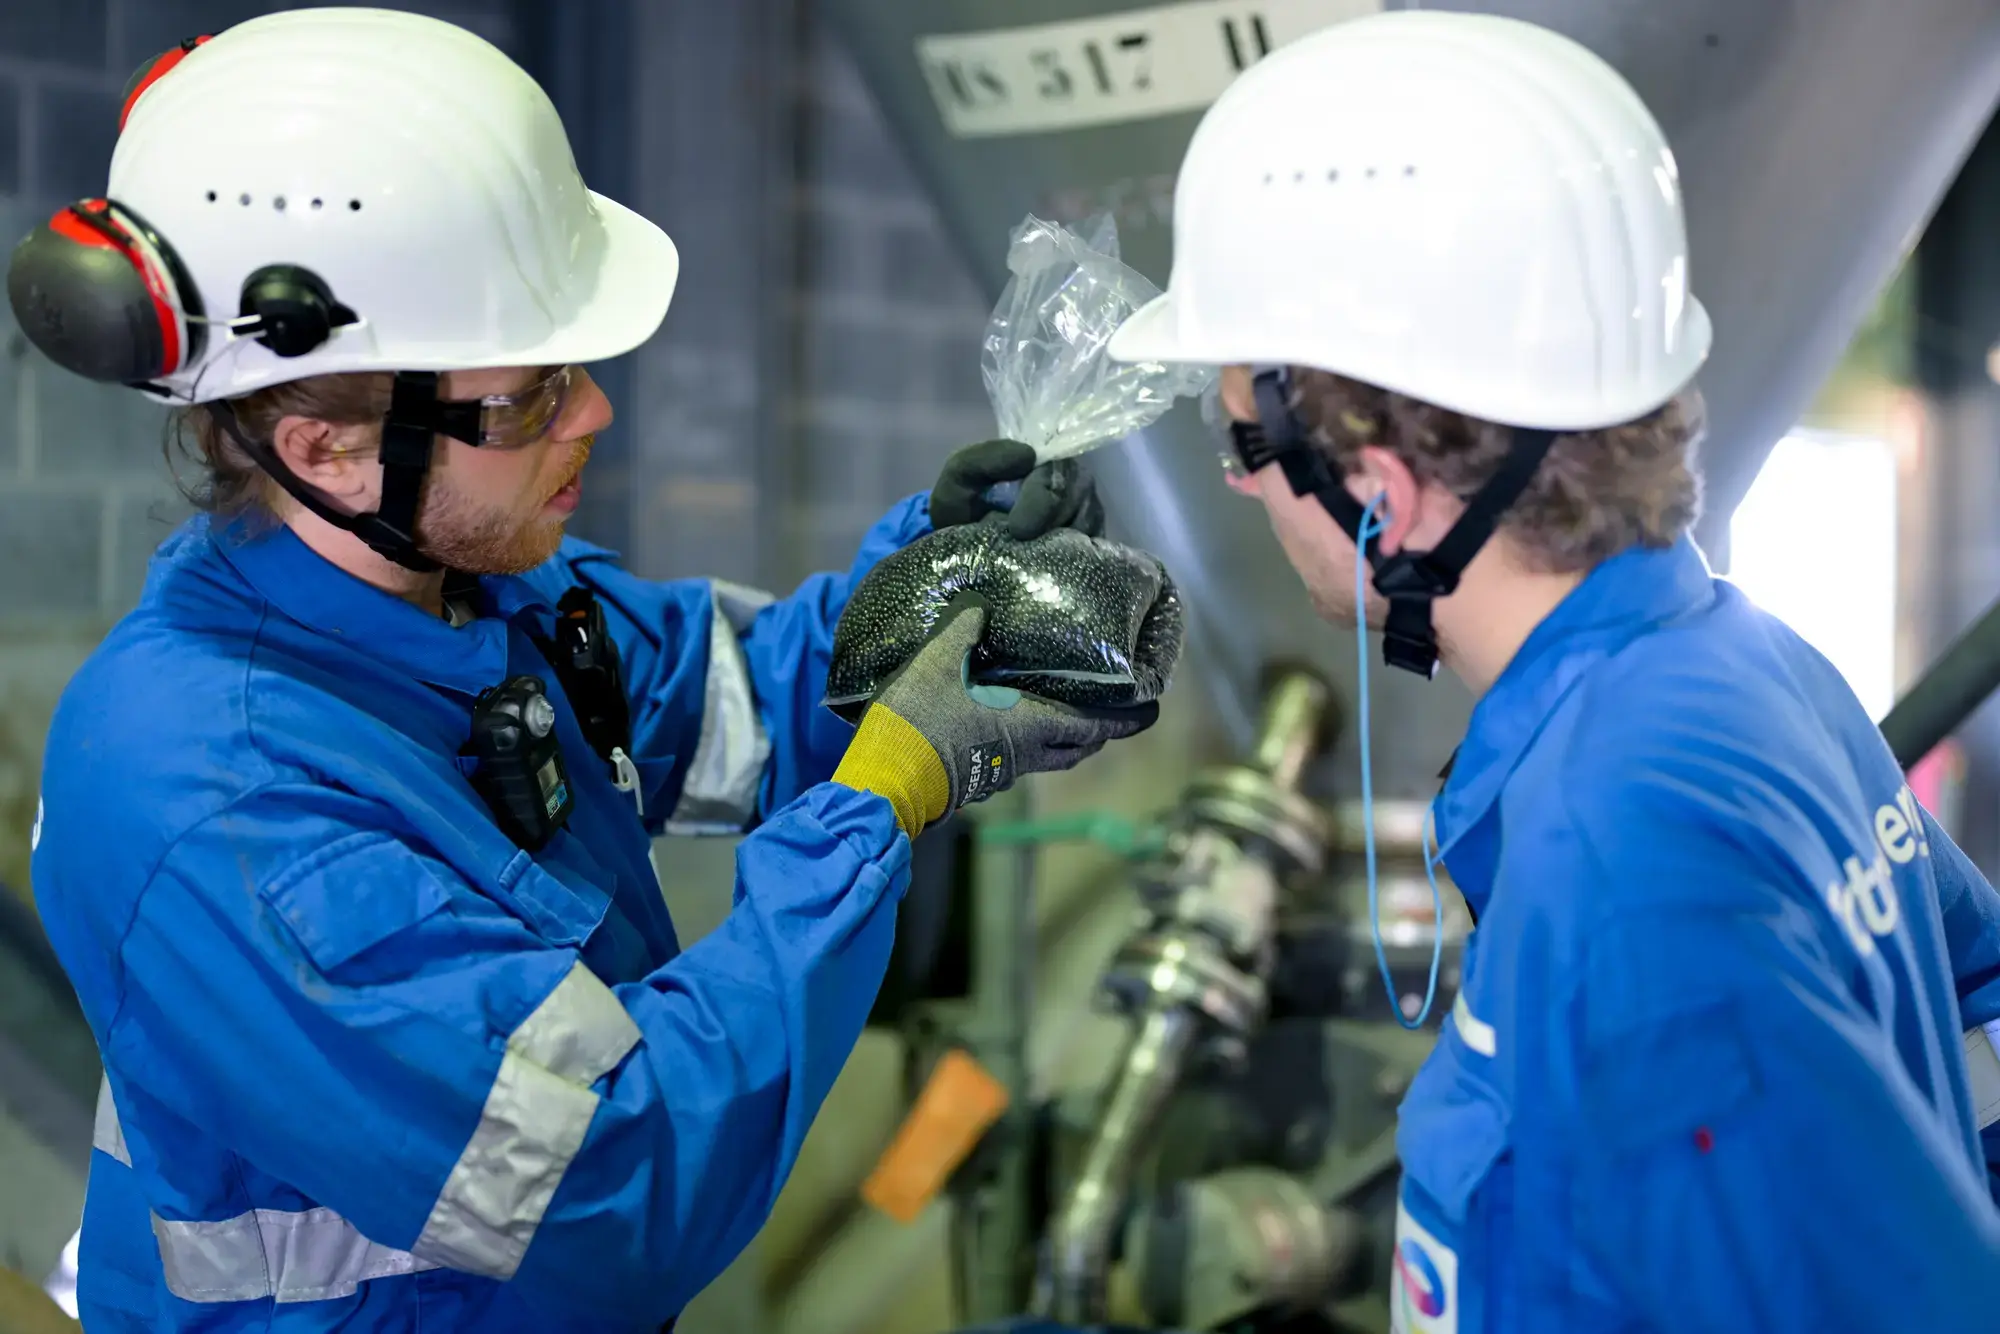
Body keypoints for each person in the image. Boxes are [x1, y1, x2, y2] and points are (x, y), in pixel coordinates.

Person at [14, 10, 1154, 1333]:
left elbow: (723, 696)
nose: (597, 411)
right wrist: (877, 806)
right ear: (327, 450)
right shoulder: (228, 807)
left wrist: (923, 582)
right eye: (529, 395)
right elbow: (613, 1185)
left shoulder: (480, 594)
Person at [1107, 10, 2000, 1332]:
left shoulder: (1620, 855)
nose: (1235, 485)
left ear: (1378, 496)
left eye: (1241, 440)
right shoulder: (1749, 670)